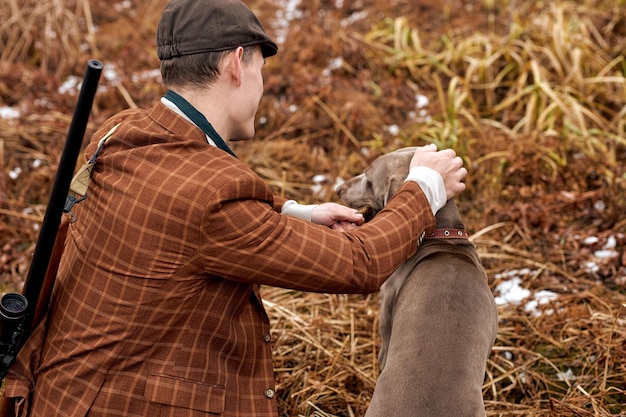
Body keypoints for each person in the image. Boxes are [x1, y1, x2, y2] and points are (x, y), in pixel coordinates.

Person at [3, 0, 467, 416]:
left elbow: (176, 213)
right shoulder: (212, 195)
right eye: (263, 70)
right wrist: (423, 188)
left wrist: (294, 214)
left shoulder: (123, 131)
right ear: (236, 64)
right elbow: (358, 264)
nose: (263, 88)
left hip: (61, 392)